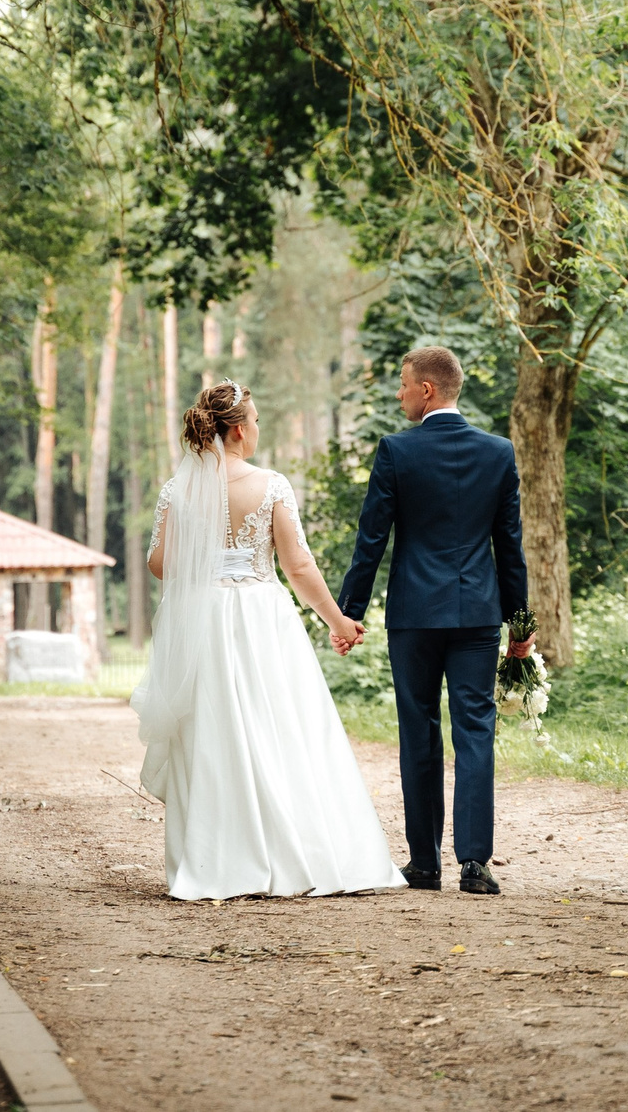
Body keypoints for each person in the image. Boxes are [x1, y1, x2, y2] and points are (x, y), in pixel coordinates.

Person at [131, 381, 406, 900]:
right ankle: (296, 854)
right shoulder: (271, 485)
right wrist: (338, 622)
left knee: (212, 733)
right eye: (255, 420)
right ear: (239, 429)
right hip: (259, 616)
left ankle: (214, 860)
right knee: (280, 727)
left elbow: (160, 564)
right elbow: (298, 567)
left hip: (203, 620)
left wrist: (206, 556)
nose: (257, 428)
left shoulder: (178, 489)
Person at [336, 345, 528, 895]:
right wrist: (520, 623)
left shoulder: (397, 451)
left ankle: (424, 863)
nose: (399, 394)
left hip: (415, 616)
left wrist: (350, 613)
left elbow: (371, 539)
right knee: (475, 730)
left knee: (418, 732)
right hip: (477, 616)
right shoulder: (498, 452)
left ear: (427, 389)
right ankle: (475, 864)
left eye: (403, 384)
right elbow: (509, 547)